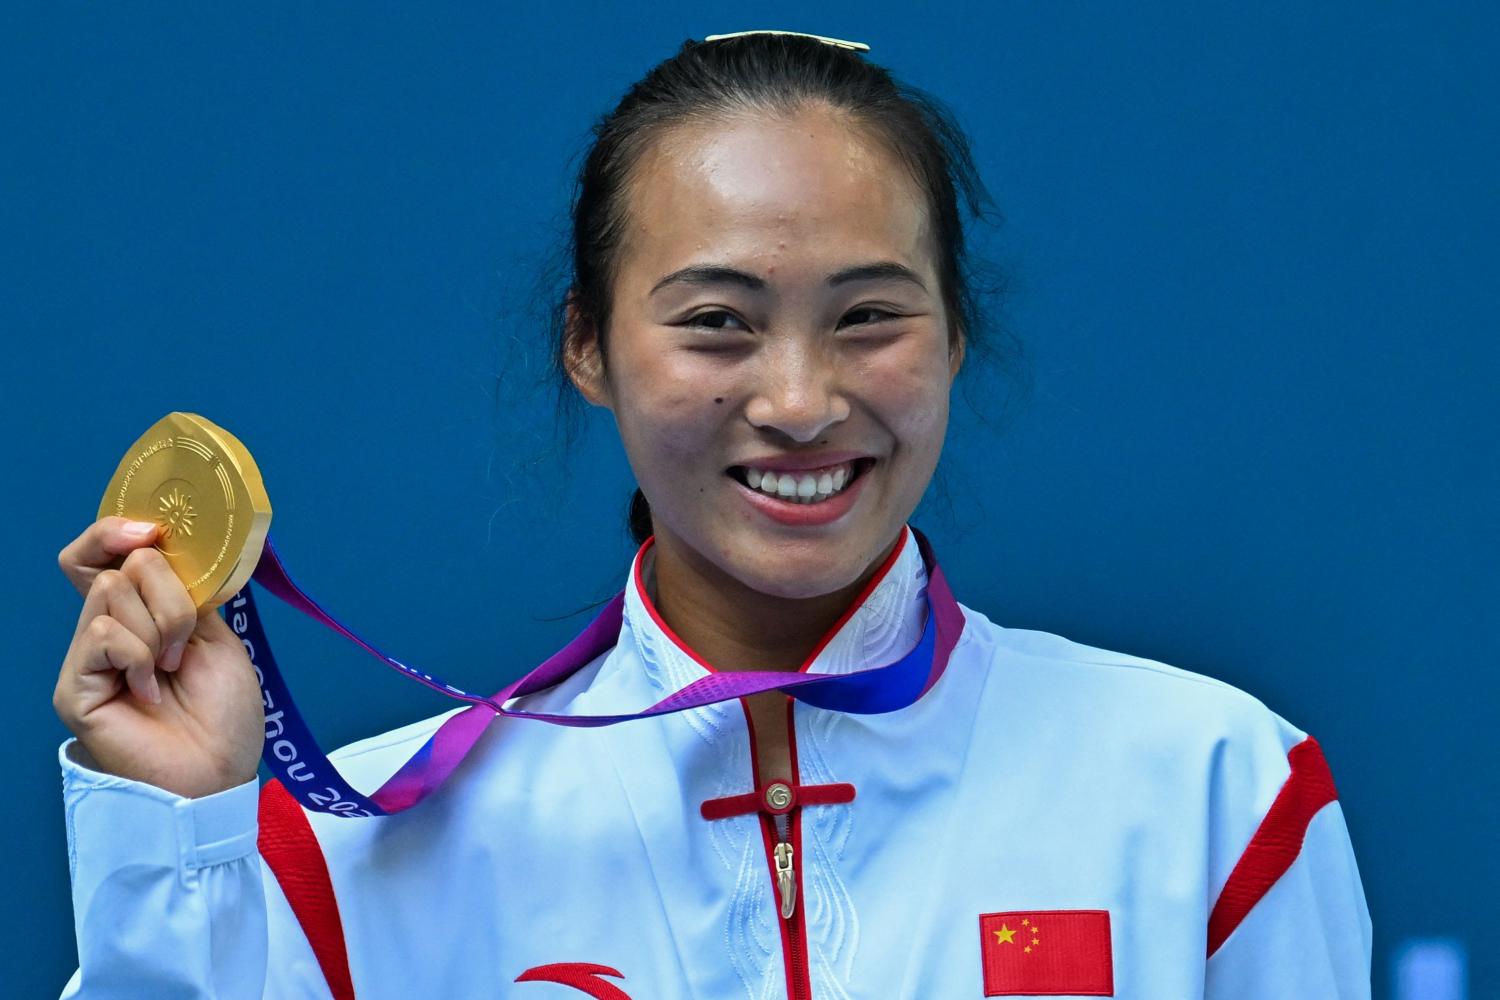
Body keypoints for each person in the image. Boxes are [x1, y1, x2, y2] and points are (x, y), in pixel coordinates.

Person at [51, 31, 1371, 999]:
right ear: (588, 347)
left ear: (957, 333)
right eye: (717, 326)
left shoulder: (1212, 788)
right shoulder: (358, 856)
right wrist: (179, 846)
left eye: (869, 317)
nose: (799, 401)